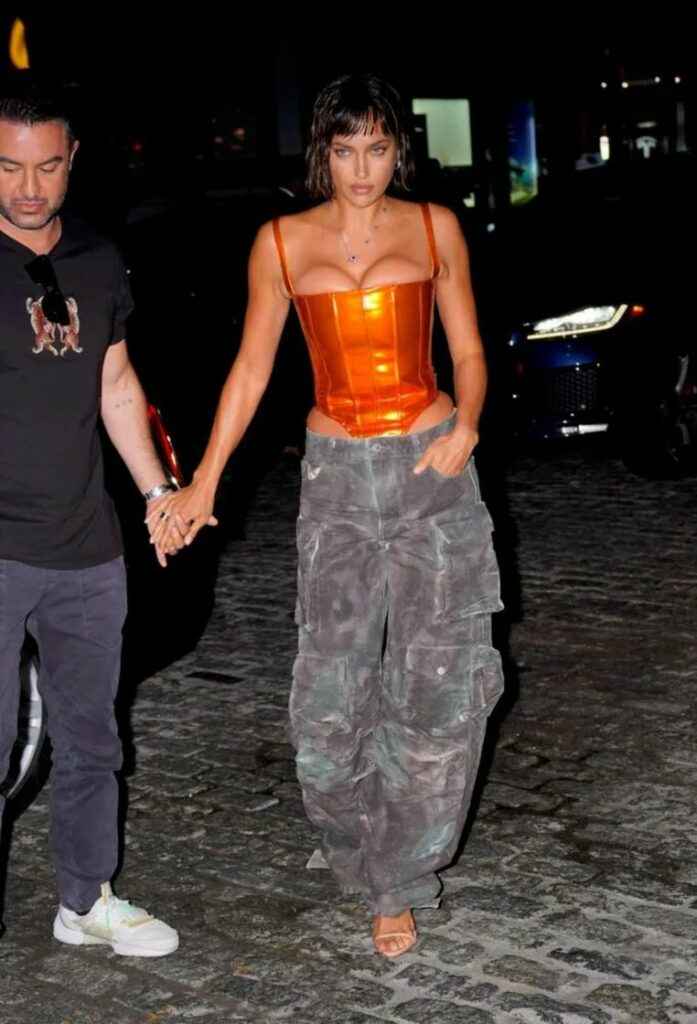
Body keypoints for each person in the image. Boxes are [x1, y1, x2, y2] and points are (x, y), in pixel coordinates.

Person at [153, 72, 504, 958]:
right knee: (327, 703)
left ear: (397, 149)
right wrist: (203, 481)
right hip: (338, 481)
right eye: (345, 150)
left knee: (437, 687)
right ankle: (359, 850)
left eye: (377, 149)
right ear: (323, 152)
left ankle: (399, 882)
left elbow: (467, 348)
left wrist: (466, 423)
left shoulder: (434, 227)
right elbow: (250, 370)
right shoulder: (280, 242)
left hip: (429, 469)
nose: (361, 169)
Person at [0, 81, 180, 957]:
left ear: (72, 161)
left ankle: (85, 899)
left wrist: (156, 493)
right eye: (7, 167)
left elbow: (115, 384)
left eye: (45, 166)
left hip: (86, 547)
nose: (28, 186)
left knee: (90, 738)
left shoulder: (100, 260)